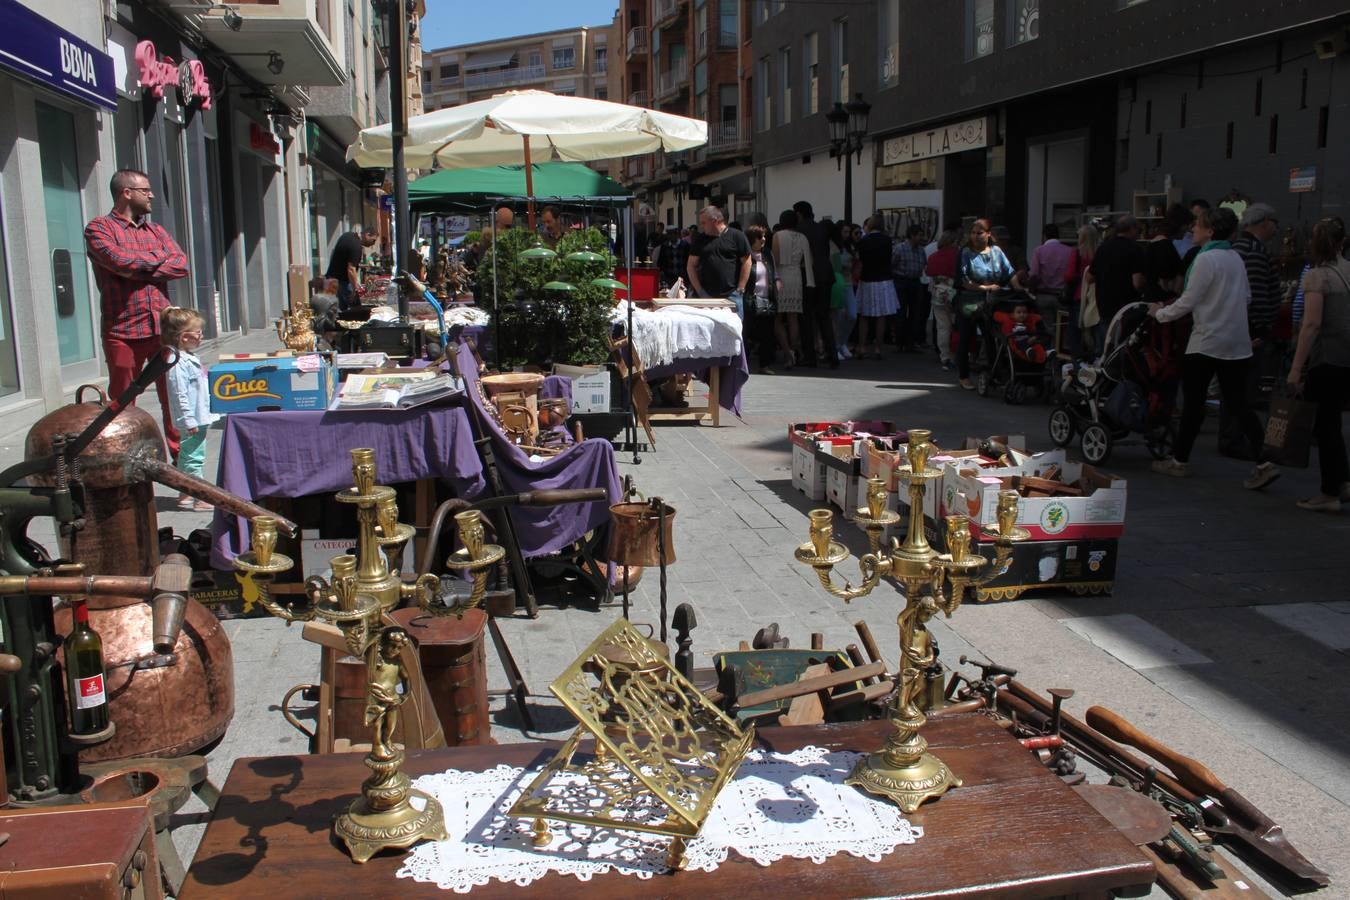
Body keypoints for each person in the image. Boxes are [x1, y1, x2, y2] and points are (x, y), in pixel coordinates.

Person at [1149, 207, 1265, 482]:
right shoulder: (1235, 257)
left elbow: (1188, 300)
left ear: (1210, 230)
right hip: (1236, 342)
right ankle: (1265, 461)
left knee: (1193, 404)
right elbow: (1246, 297)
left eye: (1198, 225)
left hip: (1206, 340)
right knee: (1239, 404)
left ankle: (1180, 460)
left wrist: (1159, 313)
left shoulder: (1205, 260)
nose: (1193, 230)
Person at [84, 168, 189, 460]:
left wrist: (140, 266)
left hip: (162, 330)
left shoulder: (155, 230)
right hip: (122, 330)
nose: (152, 195)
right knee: (122, 404)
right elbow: (119, 262)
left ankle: (183, 469)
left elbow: (180, 264)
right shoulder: (99, 229)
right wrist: (157, 262)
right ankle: (124, 462)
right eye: (146, 190)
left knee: (176, 402)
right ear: (126, 193)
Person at [1284, 217, 1350, 511]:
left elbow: (1311, 324)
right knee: (1332, 421)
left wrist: (1296, 368)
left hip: (1324, 358)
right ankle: (1341, 481)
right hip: (1345, 356)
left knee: (1325, 425)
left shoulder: (1317, 276)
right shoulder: (1348, 270)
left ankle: (1329, 491)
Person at [161, 306, 217, 512]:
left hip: (198, 416)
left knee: (186, 455)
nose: (201, 336)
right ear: (184, 337)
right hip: (193, 419)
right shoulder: (177, 362)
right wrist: (188, 420)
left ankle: (184, 493)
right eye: (198, 332)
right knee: (195, 457)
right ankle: (201, 497)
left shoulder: (187, 357)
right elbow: (178, 394)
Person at [955, 218, 1014, 389]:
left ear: (988, 234)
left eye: (979, 233)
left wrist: (1021, 287)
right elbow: (964, 281)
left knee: (991, 338)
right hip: (968, 301)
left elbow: (1009, 273)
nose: (975, 236)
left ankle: (993, 373)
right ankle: (964, 376)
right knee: (966, 338)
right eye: (972, 233)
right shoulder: (965, 252)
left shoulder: (996, 251)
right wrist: (986, 287)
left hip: (991, 302)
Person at [792, 201, 839, 368]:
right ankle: (832, 354)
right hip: (826, 274)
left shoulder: (799, 231)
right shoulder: (821, 227)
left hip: (809, 275)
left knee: (806, 318)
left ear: (798, 214)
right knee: (824, 316)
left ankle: (810, 356)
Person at [687, 206, 751, 316]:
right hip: (707, 297)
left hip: (732, 296)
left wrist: (740, 289)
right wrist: (700, 291)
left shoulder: (737, 236)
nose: (701, 226)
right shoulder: (700, 239)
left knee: (733, 331)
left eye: (704, 223)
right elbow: (690, 266)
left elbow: (747, 262)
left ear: (715, 221)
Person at [770, 209, 814, 365]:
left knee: (777, 318)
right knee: (793, 316)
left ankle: (787, 351)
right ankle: (794, 350)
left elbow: (775, 259)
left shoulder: (778, 236)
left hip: (781, 276)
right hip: (796, 277)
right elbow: (807, 261)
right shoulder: (803, 237)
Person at [1088, 213, 1145, 330]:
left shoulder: (1103, 248)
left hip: (1104, 304)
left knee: (1107, 342)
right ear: (1132, 229)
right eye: (1138, 229)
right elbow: (1137, 282)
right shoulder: (1136, 249)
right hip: (1127, 305)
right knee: (1124, 342)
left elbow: (1089, 277)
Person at [856, 215, 901, 360]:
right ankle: (878, 348)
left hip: (867, 279)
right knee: (881, 316)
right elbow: (891, 260)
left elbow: (860, 260)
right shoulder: (888, 241)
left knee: (864, 315)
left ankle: (862, 347)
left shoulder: (863, 241)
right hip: (884, 279)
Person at [1061, 224, 1100, 359]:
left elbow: (1070, 275)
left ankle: (1078, 365)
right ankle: (1094, 360)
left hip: (1078, 295)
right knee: (1094, 330)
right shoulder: (1100, 253)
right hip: (1096, 297)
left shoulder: (1077, 253)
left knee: (1076, 332)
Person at [745, 224, 780, 373]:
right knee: (746, 333)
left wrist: (777, 282)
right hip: (749, 300)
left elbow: (774, 273)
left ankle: (765, 365)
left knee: (767, 334)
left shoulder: (767, 254)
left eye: (764, 236)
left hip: (766, 299)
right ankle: (743, 365)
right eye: (759, 237)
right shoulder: (745, 256)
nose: (763, 239)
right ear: (751, 240)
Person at [925, 225, 961, 370]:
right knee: (956, 325)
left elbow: (928, 272)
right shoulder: (958, 255)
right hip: (955, 291)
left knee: (942, 326)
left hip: (938, 291)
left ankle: (945, 356)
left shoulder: (933, 256)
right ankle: (956, 354)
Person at [891, 224, 928, 352]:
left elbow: (924, 264)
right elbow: (892, 264)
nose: (921, 238)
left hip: (915, 282)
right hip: (901, 282)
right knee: (900, 312)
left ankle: (910, 342)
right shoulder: (899, 248)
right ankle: (899, 342)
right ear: (912, 235)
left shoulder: (921, 250)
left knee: (915, 313)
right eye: (919, 235)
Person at [325, 227, 379, 313]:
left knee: (332, 312)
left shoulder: (346, 235)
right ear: (367, 235)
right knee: (354, 312)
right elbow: (351, 269)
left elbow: (343, 258)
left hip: (330, 278)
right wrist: (355, 288)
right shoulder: (356, 246)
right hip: (342, 283)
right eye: (373, 240)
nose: (373, 243)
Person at [829, 221, 857, 361]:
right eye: (844, 232)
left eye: (848, 232)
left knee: (852, 314)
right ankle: (837, 344)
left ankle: (842, 342)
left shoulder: (849, 246)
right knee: (838, 317)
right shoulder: (834, 246)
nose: (846, 235)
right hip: (838, 281)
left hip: (848, 282)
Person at [1001, 300, 1050, 364]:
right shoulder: (1009, 322)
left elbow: (1032, 330)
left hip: (1028, 339)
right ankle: (1028, 350)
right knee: (1021, 343)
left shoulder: (1028, 322)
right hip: (1017, 341)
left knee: (1039, 342)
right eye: (1019, 313)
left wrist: (1034, 337)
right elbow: (1008, 334)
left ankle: (1046, 352)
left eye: (1024, 312)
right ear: (1012, 314)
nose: (1022, 315)